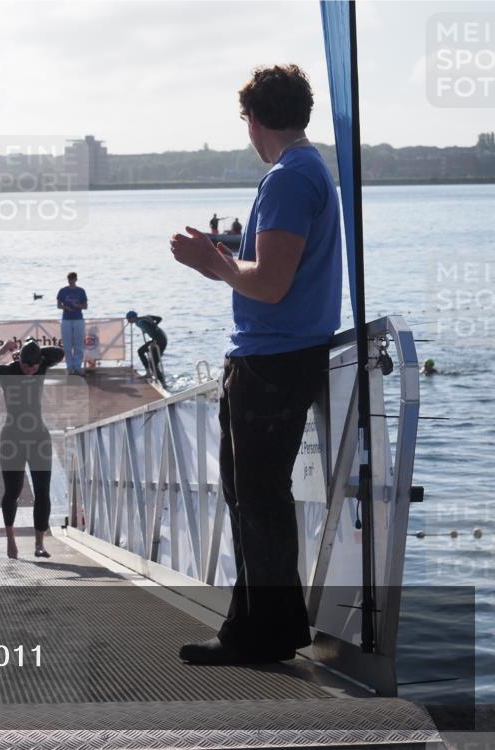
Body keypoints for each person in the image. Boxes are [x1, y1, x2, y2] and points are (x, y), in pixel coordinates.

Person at [169, 64, 342, 665]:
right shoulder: (307, 170)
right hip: (283, 354)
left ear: (254, 119)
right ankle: (260, 626)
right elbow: (276, 276)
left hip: (272, 359)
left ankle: (261, 634)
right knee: (252, 495)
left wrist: (206, 261)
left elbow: (269, 285)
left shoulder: (289, 178)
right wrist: (222, 257)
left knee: (257, 496)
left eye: (244, 119)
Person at [0, 337, 65, 559]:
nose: (31, 370)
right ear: (20, 361)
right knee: (13, 492)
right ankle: (11, 539)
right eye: (27, 365)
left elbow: (59, 354)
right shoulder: (7, 370)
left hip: (38, 437)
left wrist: (31, 348)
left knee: (42, 491)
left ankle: (39, 544)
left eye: (34, 365)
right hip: (12, 438)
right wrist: (3, 350)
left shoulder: (42, 364)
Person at [56, 271, 88, 376]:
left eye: (73, 279)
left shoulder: (81, 291)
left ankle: (77, 366)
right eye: (70, 279)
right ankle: (69, 367)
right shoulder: (63, 291)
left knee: (78, 344)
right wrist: (65, 307)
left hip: (78, 319)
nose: (71, 281)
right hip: (66, 319)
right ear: (68, 280)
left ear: (76, 279)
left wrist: (77, 305)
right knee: (67, 344)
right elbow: (58, 305)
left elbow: (85, 306)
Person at [125, 311, 168, 379]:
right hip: (162, 337)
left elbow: (152, 332)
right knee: (146, 356)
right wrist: (154, 325)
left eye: (129, 319)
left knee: (151, 362)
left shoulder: (140, 323)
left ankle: (159, 379)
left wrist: (154, 341)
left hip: (159, 340)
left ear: (133, 318)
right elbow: (159, 318)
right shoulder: (145, 317)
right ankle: (155, 376)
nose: (128, 320)